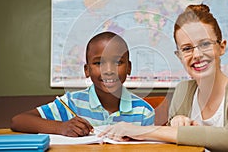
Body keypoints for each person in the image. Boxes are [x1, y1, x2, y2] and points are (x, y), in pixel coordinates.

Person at [98, 4, 228, 152]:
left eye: (205, 44)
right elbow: (175, 141)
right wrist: (174, 123)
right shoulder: (183, 91)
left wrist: (140, 131)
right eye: (187, 48)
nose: (197, 55)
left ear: (221, 47)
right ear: (179, 56)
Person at [10, 31, 155, 137]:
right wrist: (62, 127)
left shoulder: (144, 112)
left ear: (129, 68)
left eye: (118, 62)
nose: (109, 70)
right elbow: (18, 121)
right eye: (99, 63)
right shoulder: (71, 103)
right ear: (87, 70)